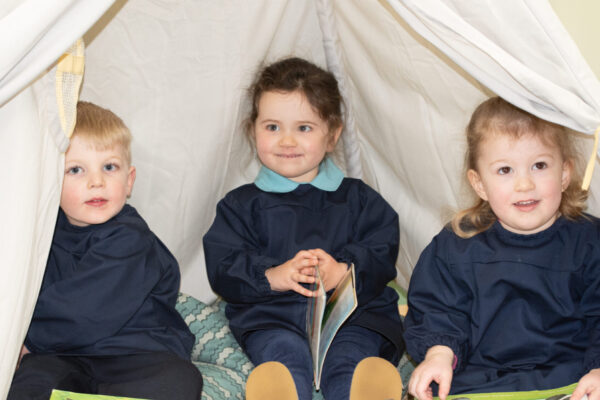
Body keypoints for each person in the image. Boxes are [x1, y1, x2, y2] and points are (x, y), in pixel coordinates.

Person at [203, 57, 404, 400]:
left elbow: (382, 249)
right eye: (272, 127)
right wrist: (270, 275)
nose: (287, 141)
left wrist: (345, 271)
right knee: (283, 356)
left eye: (304, 128)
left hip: (351, 319)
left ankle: (361, 388)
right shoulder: (240, 205)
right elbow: (224, 265)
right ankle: (282, 389)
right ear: (253, 129)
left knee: (350, 359)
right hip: (273, 317)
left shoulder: (358, 199)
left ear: (333, 135)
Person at [403, 96, 600, 400]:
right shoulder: (456, 245)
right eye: (505, 170)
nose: (524, 184)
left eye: (539, 165)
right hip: (481, 384)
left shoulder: (590, 242)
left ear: (564, 174)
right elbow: (439, 311)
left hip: (570, 382)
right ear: (479, 183)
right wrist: (439, 356)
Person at [8, 101, 203, 400]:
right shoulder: (41, 232)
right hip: (65, 355)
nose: (96, 182)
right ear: (50, 181)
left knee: (178, 380)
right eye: (75, 170)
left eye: (109, 167)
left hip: (136, 354)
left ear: (129, 180)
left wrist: (26, 338)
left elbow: (84, 312)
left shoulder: (130, 239)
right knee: (32, 382)